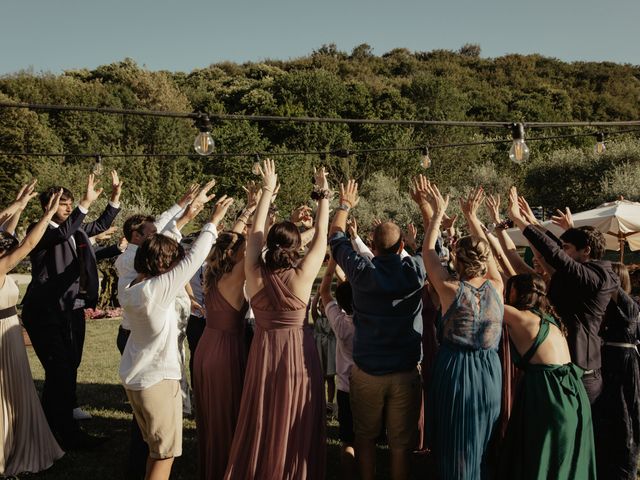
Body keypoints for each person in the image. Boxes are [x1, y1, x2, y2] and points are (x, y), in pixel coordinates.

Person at [224, 160, 328, 479]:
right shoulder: (303, 275)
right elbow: (323, 232)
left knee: (264, 413)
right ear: (297, 247)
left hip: (264, 351)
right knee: (295, 413)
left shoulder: (254, 272)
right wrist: (322, 191)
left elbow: (254, 231)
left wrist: (267, 189)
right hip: (298, 351)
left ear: (270, 244)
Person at [119, 194, 233, 480]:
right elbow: (195, 257)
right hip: (157, 380)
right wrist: (214, 221)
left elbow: (159, 249)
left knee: (153, 449)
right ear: (165, 264)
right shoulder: (159, 289)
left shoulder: (131, 286)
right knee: (164, 454)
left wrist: (183, 218)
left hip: (136, 378)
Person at [329, 179, 425, 480]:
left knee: (365, 439)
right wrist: (426, 208)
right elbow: (431, 250)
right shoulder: (414, 272)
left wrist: (344, 205)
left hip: (367, 373)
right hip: (405, 372)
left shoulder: (360, 270)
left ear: (371, 246)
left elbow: (335, 238)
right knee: (400, 445)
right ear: (401, 247)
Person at [21, 172, 121, 448]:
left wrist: (113, 199)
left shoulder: (74, 228)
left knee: (69, 367)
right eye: (63, 203)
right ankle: (63, 431)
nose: (68, 207)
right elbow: (61, 233)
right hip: (47, 310)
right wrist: (85, 203)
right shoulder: (38, 229)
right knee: (60, 370)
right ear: (47, 206)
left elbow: (99, 224)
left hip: (72, 306)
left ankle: (53, 424)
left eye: (70, 203)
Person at [415, 180, 503, 480]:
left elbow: (427, 251)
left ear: (456, 258)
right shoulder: (498, 286)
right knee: (482, 439)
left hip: (456, 368)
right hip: (491, 369)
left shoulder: (450, 289)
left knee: (457, 440)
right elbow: (488, 253)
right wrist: (472, 217)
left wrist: (438, 214)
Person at [507, 186, 619, 403]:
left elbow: (557, 255)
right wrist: (533, 223)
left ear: (586, 251)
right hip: (572, 366)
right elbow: (559, 251)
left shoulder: (598, 277)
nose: (563, 249)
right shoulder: (588, 272)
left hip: (582, 373)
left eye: (568, 247)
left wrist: (520, 222)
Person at [497, 273, 596, 479]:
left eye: (511, 289)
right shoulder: (550, 319)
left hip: (549, 395)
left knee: (541, 460)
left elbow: (486, 296)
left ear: (518, 293)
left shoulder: (520, 317)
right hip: (574, 395)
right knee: (564, 463)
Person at [0, 182, 65, 476]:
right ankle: (7, 449)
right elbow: (25, 244)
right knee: (5, 394)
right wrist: (47, 214)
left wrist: (19, 206)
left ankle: (14, 441)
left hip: (8, 332)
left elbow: (9, 238)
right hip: (3, 335)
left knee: (14, 390)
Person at [193, 228, 248, 480]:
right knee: (227, 412)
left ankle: (212, 464)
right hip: (225, 349)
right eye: (243, 251)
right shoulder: (235, 276)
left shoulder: (213, 273)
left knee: (212, 414)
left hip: (206, 345)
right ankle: (227, 469)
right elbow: (261, 248)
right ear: (232, 254)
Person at [597, 262, 640, 480]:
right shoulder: (602, 308)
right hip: (606, 367)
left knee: (623, 422)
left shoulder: (631, 306)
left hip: (622, 371)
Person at [318, 257, 356, 478]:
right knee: (365, 438)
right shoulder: (370, 320)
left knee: (347, 439)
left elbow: (325, 292)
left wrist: (332, 264)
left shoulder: (340, 322)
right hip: (368, 385)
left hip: (345, 387)